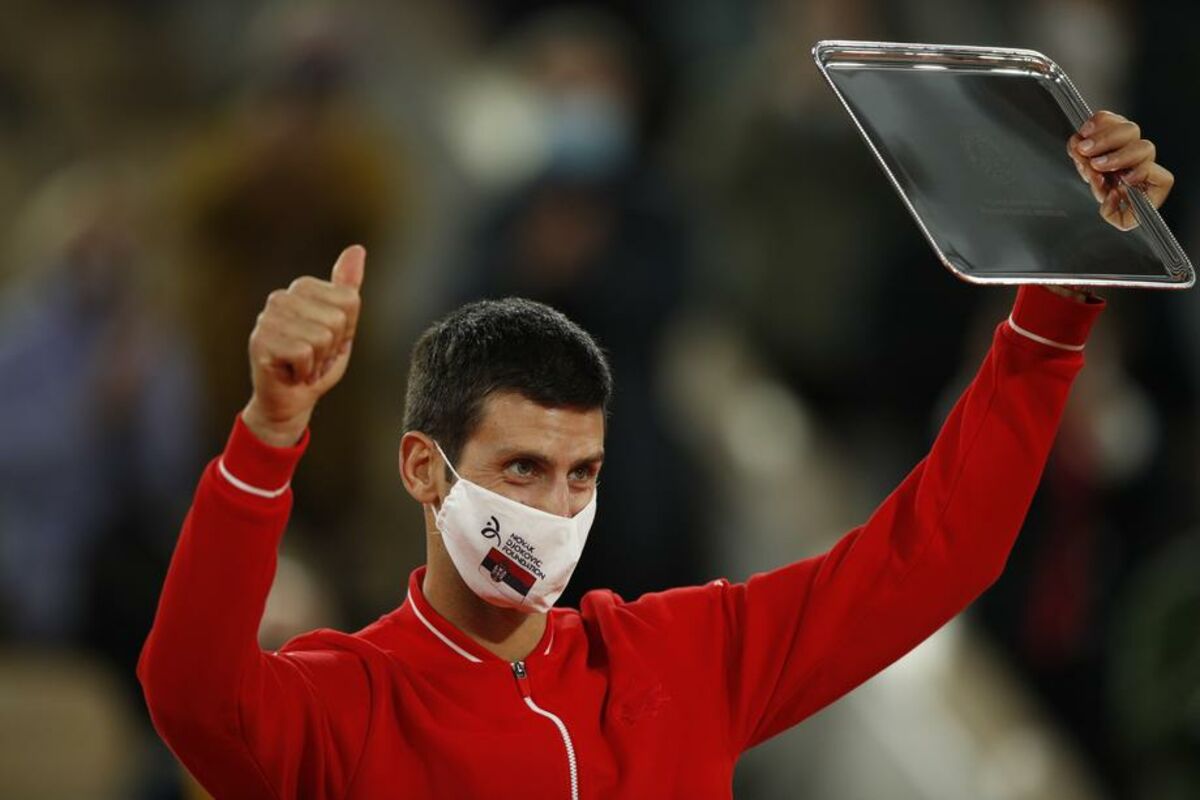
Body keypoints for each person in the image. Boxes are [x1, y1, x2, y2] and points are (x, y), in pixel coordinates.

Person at [138, 110, 1173, 799]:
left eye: (581, 472)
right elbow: (190, 694)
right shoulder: (346, 703)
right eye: (521, 468)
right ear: (422, 468)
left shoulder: (680, 655)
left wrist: (1063, 291)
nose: (556, 508)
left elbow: (937, 552)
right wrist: (268, 436)